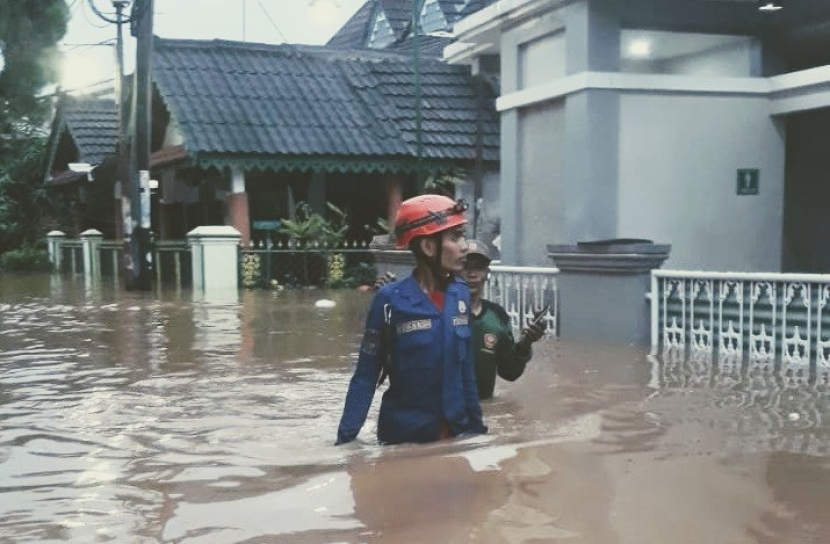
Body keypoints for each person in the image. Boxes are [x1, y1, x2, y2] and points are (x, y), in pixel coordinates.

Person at [335, 194, 487, 445]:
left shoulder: (460, 295)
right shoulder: (389, 301)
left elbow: (466, 372)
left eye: (463, 235)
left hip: (456, 435)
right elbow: (365, 376)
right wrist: (345, 441)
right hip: (405, 440)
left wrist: (477, 432)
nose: (464, 246)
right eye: (454, 237)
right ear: (428, 247)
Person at [460, 239, 546, 400]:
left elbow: (509, 373)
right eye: (465, 266)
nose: (472, 274)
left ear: (486, 273)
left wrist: (525, 343)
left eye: (478, 267)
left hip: (482, 413)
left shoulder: (497, 316)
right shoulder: (441, 313)